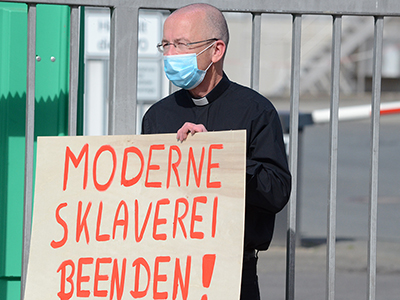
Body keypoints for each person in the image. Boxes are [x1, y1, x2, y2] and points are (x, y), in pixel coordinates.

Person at [141, 3, 291, 299]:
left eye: (181, 44)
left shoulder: (255, 111)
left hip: (233, 271)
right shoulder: (157, 116)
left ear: (216, 50)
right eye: (166, 45)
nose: (171, 54)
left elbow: (276, 191)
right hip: (169, 271)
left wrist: (222, 156)